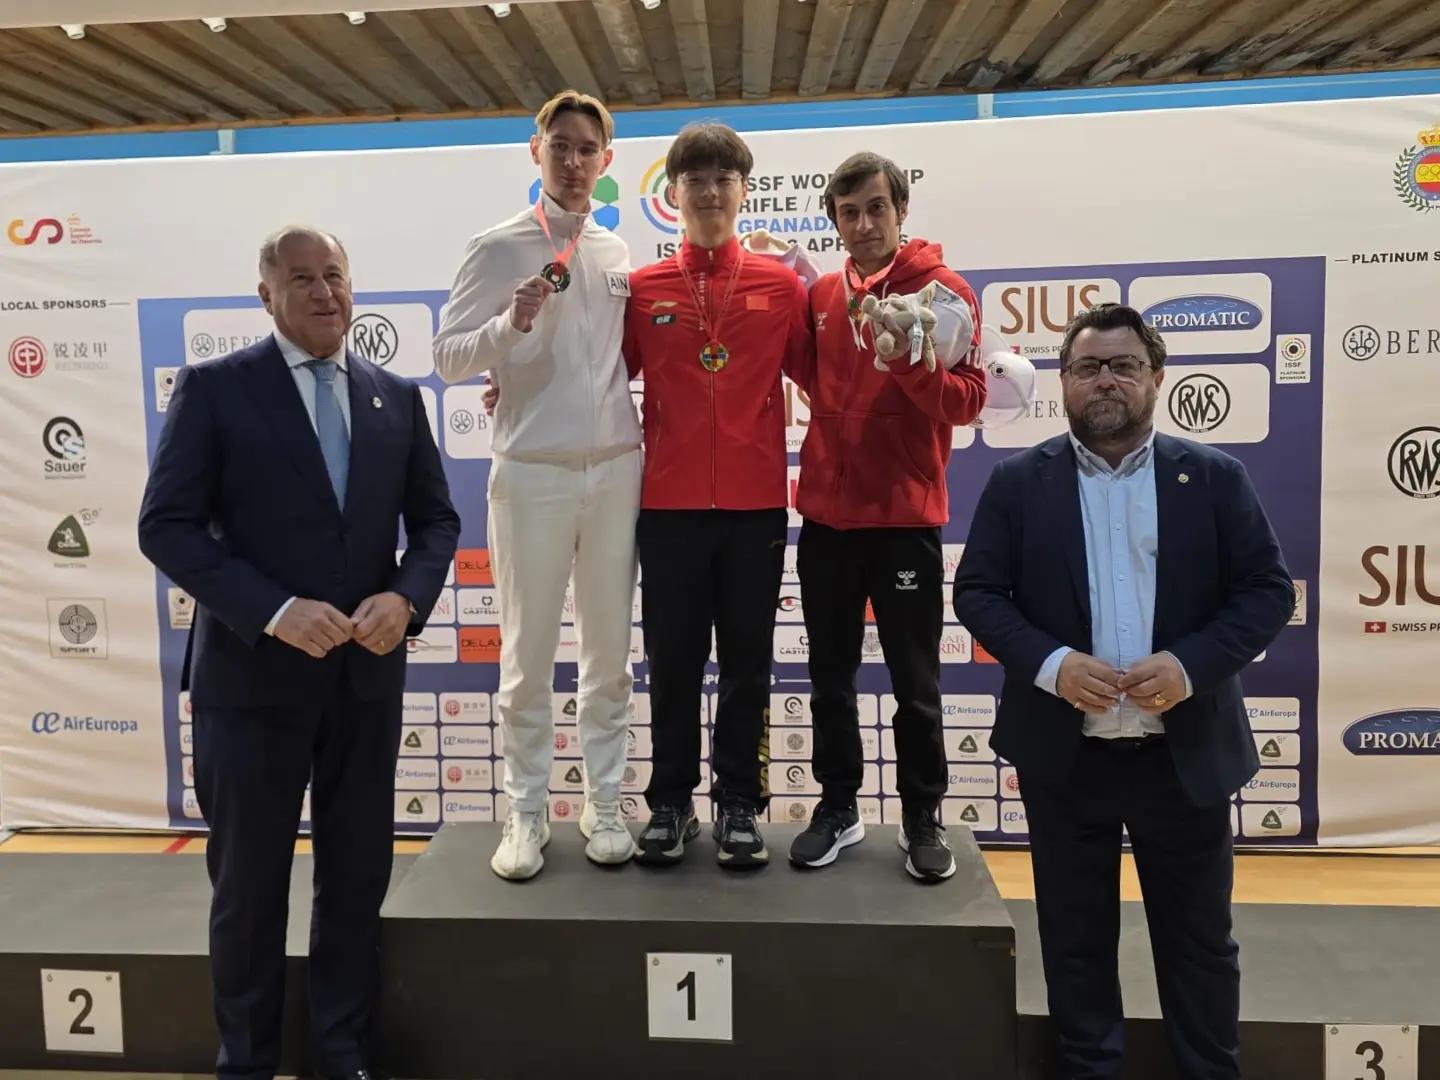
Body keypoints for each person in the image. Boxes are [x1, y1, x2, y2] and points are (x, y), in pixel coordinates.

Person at [138, 226, 460, 1080]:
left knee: (354, 882)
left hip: (364, 683)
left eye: (336, 276)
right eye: (304, 279)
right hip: (251, 687)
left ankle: (340, 1055)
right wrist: (274, 611)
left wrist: (406, 597)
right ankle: (245, 1063)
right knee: (249, 889)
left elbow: (436, 521)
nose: (325, 293)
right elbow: (165, 526)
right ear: (267, 295)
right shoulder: (216, 389)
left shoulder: (396, 397)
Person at [953, 302, 1294, 1079]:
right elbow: (979, 594)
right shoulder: (1018, 482)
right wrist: (1051, 665)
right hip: (1065, 757)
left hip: (1183, 754)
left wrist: (1189, 666)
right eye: (1087, 367)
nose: (1105, 380)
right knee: (1074, 941)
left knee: (1199, 942)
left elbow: (1267, 591)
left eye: (1123, 365)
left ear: (1156, 378)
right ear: (1064, 383)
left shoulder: (1214, 477)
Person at [433, 90, 641, 881]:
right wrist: (509, 327)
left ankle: (604, 800)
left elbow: (616, 360)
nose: (575, 161)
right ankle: (525, 811)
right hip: (530, 473)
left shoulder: (617, 251)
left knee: (610, 656)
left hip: (616, 468)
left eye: (588, 149)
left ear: (606, 161)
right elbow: (448, 357)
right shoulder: (497, 248)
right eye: (562, 146)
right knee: (526, 656)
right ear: (536, 151)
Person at [784, 151, 988, 883]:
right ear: (836, 222)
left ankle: (921, 815)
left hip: (904, 520)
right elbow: (808, 376)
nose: (865, 224)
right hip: (827, 522)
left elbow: (967, 402)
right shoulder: (822, 296)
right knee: (829, 679)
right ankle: (838, 806)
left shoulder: (946, 292)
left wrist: (909, 365)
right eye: (849, 213)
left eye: (876, 208)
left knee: (916, 684)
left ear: (901, 210)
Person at [625, 122, 814, 869]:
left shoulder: (781, 285)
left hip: (754, 506)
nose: (709, 191)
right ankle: (670, 803)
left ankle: (739, 802)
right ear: (672, 193)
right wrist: (516, 385)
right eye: (695, 179)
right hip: (667, 507)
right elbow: (594, 378)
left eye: (723, 178)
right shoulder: (642, 289)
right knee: (671, 664)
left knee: (747, 663)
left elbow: (826, 380)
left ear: (744, 190)